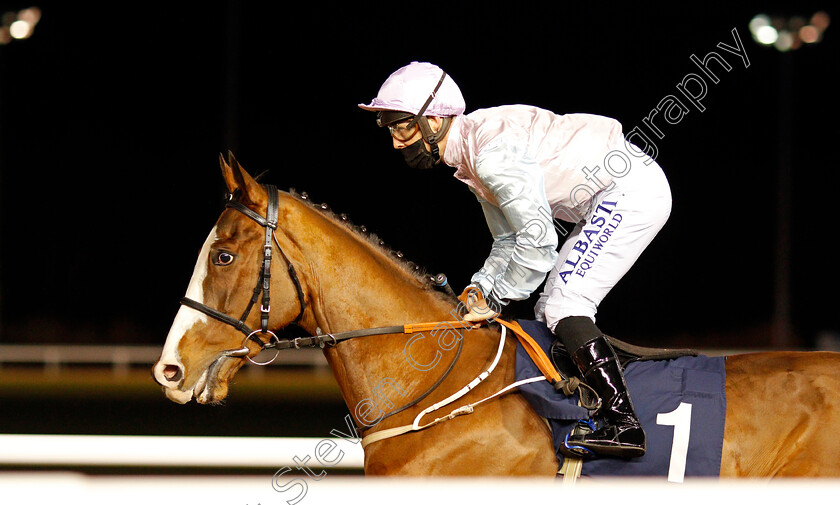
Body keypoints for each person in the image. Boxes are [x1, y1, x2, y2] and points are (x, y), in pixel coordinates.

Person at [358, 61, 672, 460]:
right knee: (549, 308)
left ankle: (623, 424)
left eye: (403, 126)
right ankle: (586, 406)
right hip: (607, 195)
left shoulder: (490, 153)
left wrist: (497, 299)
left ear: (435, 120)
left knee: (564, 305)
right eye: (389, 128)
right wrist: (482, 286)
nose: (397, 142)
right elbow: (508, 238)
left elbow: (539, 241)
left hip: (630, 191)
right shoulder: (470, 154)